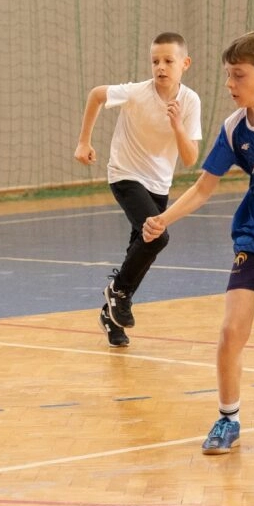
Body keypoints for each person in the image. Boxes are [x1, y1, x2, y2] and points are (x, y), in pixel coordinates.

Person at [144, 31, 254, 455]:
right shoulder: (235, 128)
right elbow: (203, 188)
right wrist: (163, 218)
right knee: (231, 331)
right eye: (228, 75)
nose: (230, 84)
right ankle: (227, 419)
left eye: (238, 75)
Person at [74, 32, 202, 347]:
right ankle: (117, 292)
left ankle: (111, 314)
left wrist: (177, 126)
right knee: (158, 235)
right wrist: (84, 141)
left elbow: (189, 159)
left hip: (159, 183)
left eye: (168, 61)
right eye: (155, 61)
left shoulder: (190, 101)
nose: (161, 67)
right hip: (125, 174)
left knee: (141, 249)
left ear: (184, 64)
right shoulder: (135, 93)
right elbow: (96, 95)